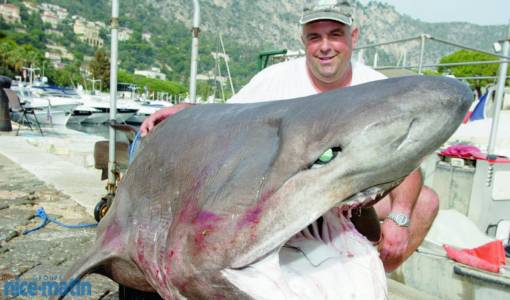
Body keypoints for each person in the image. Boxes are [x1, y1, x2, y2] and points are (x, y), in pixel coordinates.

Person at [140, 0, 439, 273]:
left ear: (354, 36)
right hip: (288, 196)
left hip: (352, 196)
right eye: (314, 37)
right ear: (303, 41)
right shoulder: (274, 80)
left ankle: (367, 278)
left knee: (425, 202)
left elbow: (406, 161)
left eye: (335, 34)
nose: (325, 46)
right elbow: (228, 119)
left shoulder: (377, 88)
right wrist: (189, 110)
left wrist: (400, 217)